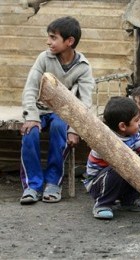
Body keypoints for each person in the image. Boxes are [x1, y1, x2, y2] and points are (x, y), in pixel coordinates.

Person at [19, 16, 95, 204]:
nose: (48, 42)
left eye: (53, 38)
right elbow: (30, 88)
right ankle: (32, 186)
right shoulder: (44, 58)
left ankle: (53, 183)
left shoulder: (83, 68)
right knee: (30, 133)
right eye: (49, 37)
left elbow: (84, 102)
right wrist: (31, 116)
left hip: (64, 114)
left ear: (69, 42)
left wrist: (74, 129)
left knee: (59, 128)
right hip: (40, 110)